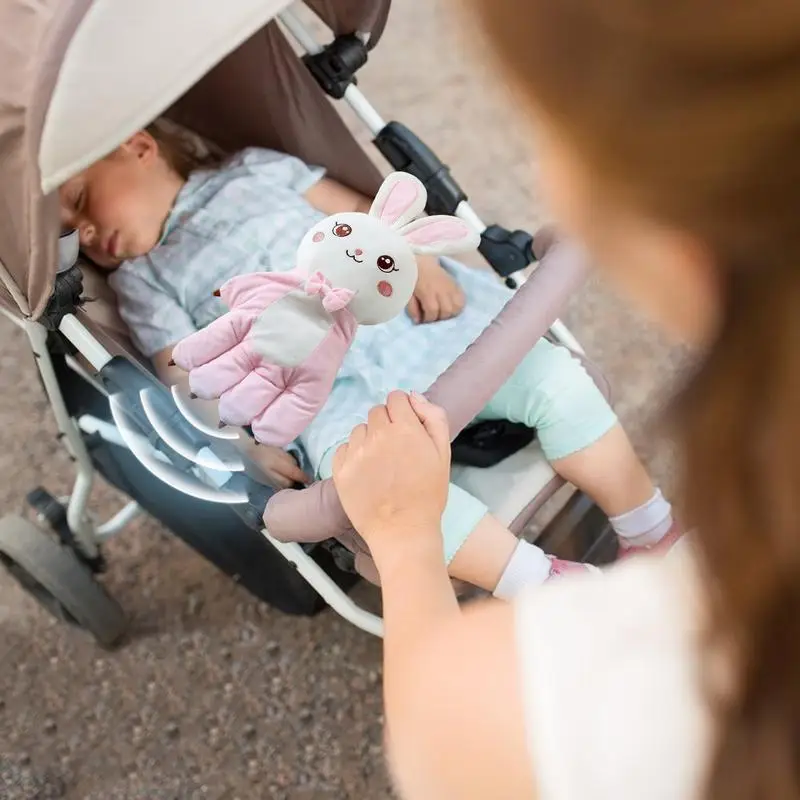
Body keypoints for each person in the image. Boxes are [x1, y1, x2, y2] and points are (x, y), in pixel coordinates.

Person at [330, 0, 800, 797]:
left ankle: (590, 553)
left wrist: (404, 544)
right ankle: (638, 530)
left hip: (405, 377)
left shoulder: (581, 702)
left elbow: (433, 715)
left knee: (545, 385)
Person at [58, 124, 678, 595]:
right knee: (391, 507)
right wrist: (239, 443)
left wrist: (422, 261)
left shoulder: (253, 172)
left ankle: (650, 529)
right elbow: (187, 372)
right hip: (323, 398)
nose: (84, 233)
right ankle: (551, 588)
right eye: (71, 232)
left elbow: (360, 215)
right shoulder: (143, 280)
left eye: (82, 199)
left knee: (551, 375)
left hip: (414, 327)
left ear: (136, 146)